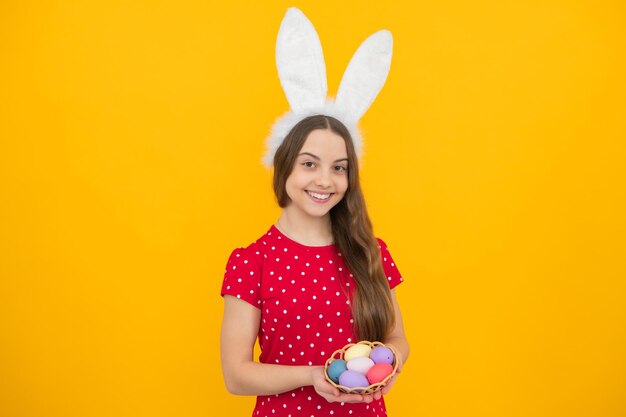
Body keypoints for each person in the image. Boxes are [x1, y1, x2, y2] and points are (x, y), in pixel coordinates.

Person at [220, 8, 409, 417]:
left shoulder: (369, 250)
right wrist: (315, 375)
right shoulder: (251, 262)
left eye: (338, 167)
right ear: (284, 165)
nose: (325, 180)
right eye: (309, 164)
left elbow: (397, 338)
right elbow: (235, 374)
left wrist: (389, 363)